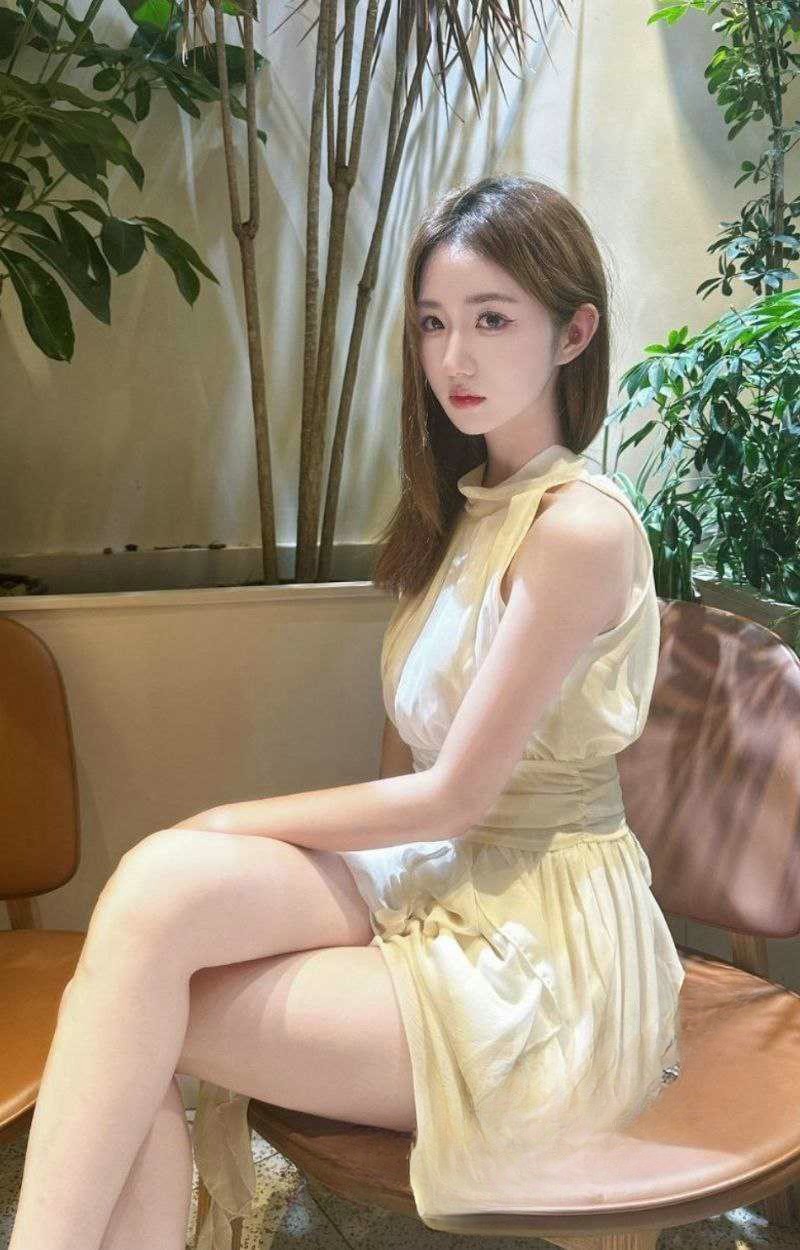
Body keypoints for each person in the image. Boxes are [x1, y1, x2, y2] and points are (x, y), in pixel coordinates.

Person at [8, 174, 685, 1250]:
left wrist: (229, 819)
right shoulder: (464, 514)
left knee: (136, 1003)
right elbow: (403, 777)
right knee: (152, 898)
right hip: (434, 878)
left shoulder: (577, 528)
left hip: (541, 947)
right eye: (432, 323)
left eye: (491, 319)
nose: (453, 357)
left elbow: (452, 796)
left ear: (573, 333)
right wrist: (213, 843)